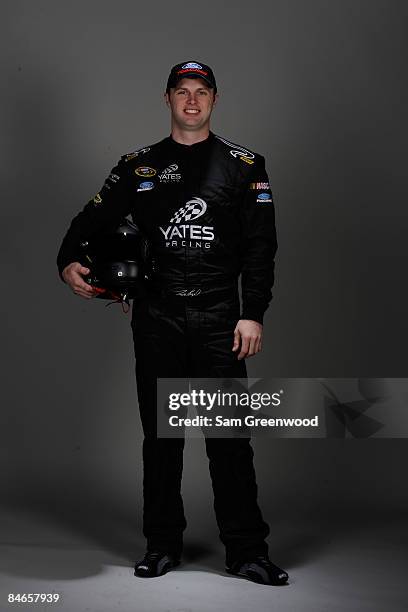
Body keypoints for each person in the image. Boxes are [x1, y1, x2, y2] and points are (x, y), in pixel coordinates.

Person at [56, 61, 289, 586]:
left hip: (218, 318)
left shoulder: (245, 165)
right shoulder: (138, 167)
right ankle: (161, 545)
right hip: (157, 317)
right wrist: (67, 261)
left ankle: (247, 552)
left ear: (214, 99)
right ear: (166, 99)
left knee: (229, 438)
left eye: (201, 92)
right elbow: (86, 223)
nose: (191, 101)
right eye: (181, 92)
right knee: (162, 438)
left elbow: (261, 248)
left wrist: (252, 312)